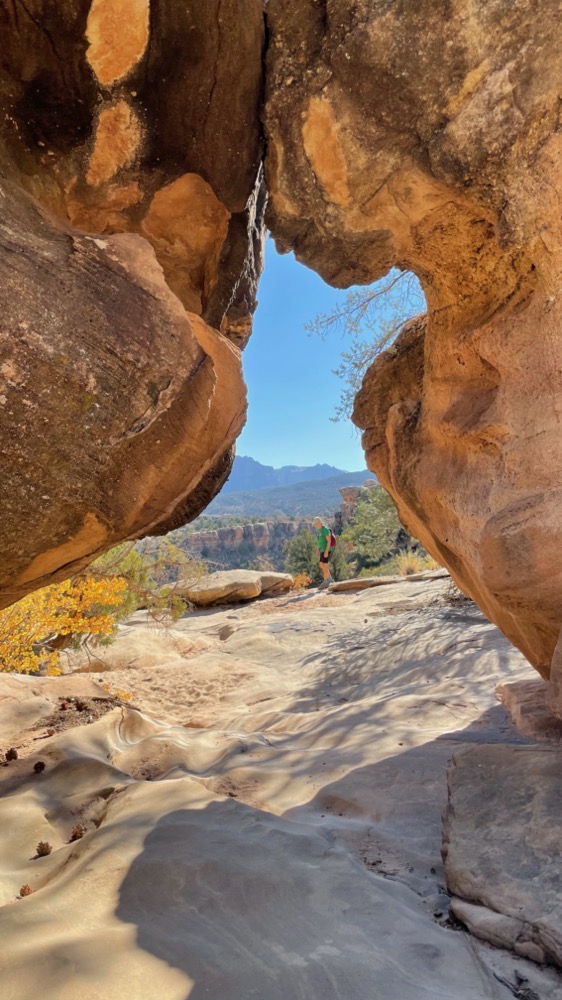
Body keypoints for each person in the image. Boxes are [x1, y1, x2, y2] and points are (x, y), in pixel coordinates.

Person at [312, 516, 333, 587]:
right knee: (321, 565)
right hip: (322, 550)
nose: (315, 526)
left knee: (325, 566)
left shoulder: (325, 530)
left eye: (316, 524)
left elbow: (329, 541)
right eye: (315, 525)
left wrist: (326, 551)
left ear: (320, 523)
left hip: (326, 550)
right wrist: (318, 550)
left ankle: (325, 581)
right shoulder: (319, 531)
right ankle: (329, 579)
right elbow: (320, 541)